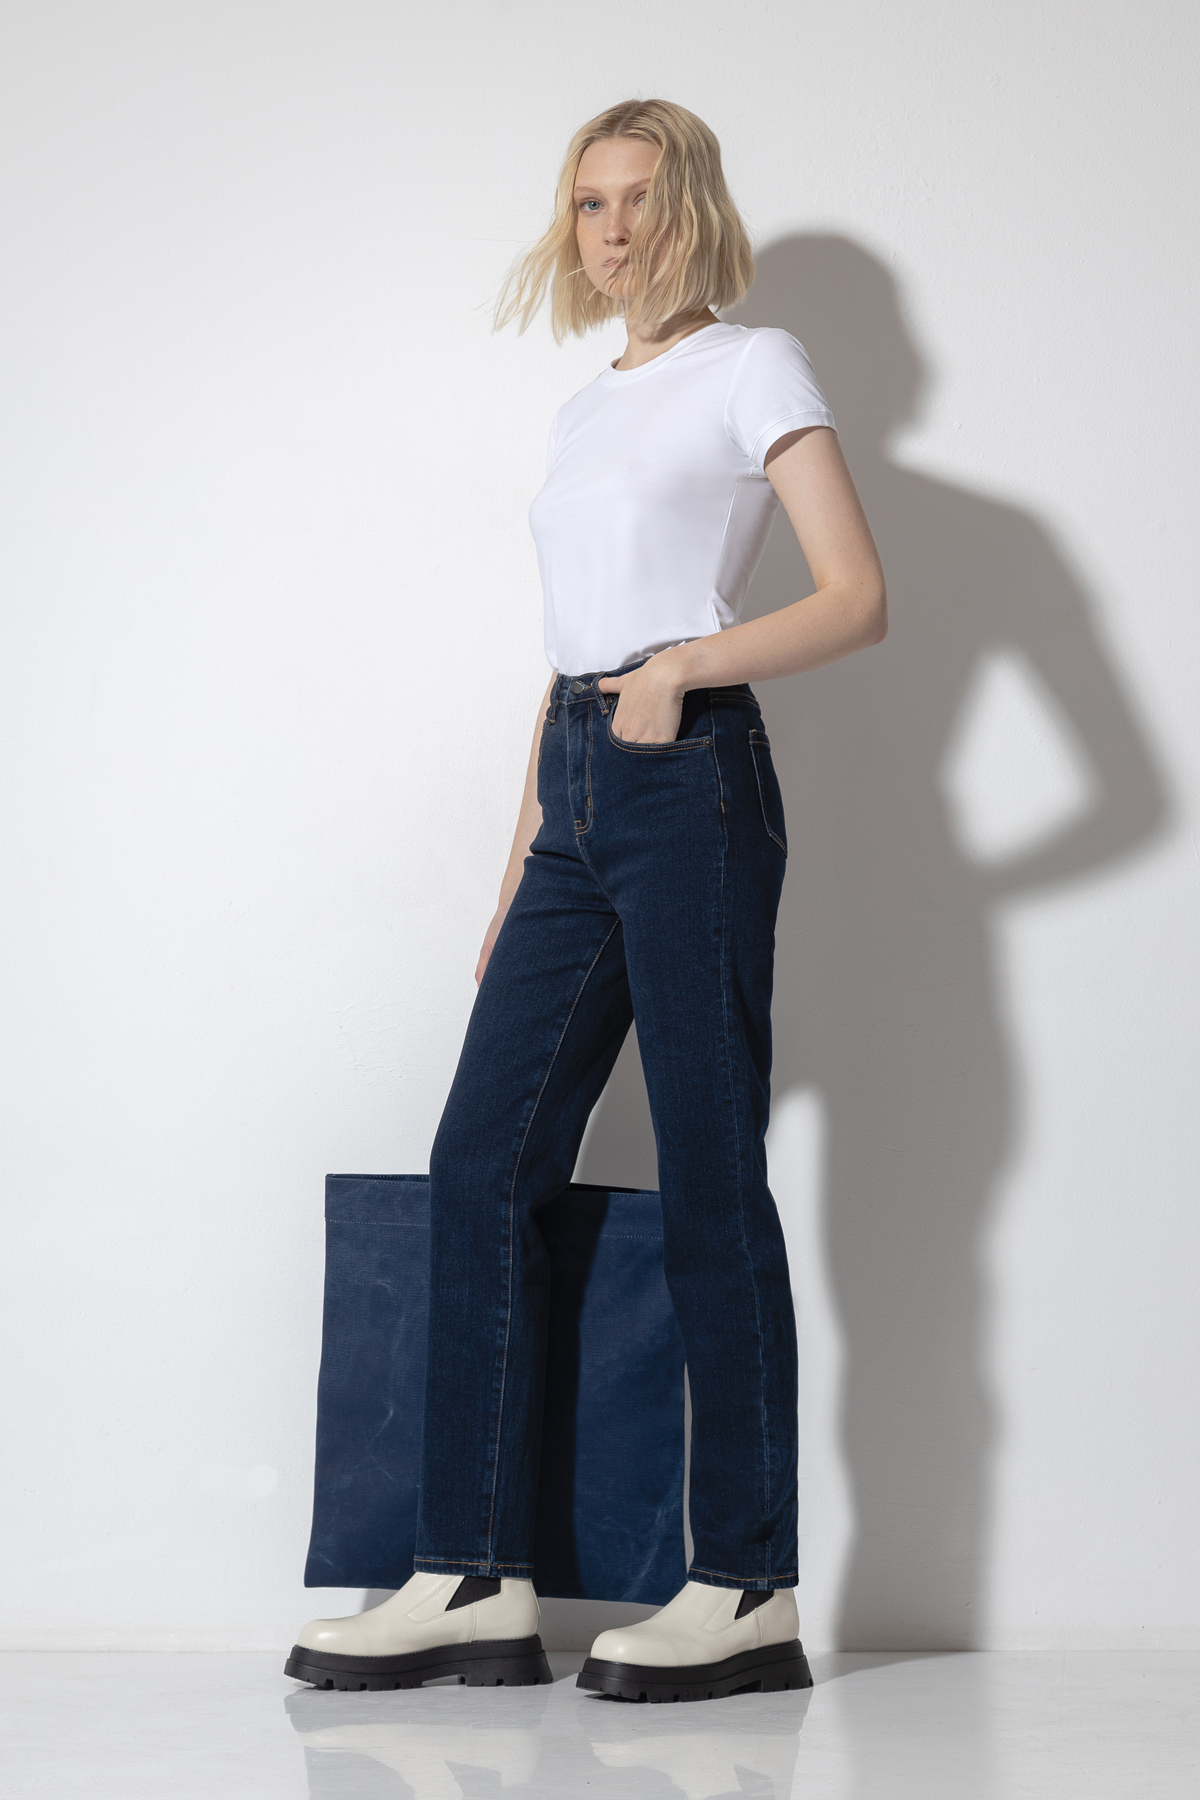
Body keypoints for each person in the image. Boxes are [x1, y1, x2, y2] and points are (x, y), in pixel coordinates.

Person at [286, 97, 886, 1703]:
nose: (610, 230)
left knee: (710, 1173)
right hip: (576, 784)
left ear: (692, 208)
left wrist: (687, 665)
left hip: (693, 778)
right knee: (480, 1164)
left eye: (637, 198)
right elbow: (568, 647)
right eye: (587, 202)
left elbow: (856, 597)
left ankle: (745, 1584)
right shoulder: (579, 408)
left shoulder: (754, 366)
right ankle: (472, 1572)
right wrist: (522, 859)